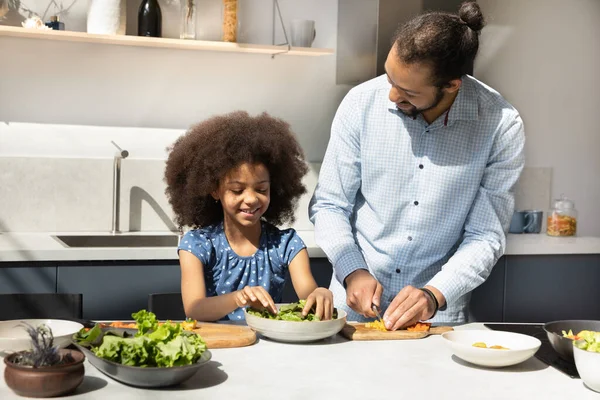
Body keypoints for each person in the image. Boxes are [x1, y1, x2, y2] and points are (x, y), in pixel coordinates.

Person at [309, 1, 525, 330]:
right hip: (351, 315)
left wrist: (433, 294)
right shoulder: (361, 103)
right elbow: (329, 204)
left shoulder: (500, 125)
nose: (392, 96)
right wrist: (353, 269)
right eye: (389, 77)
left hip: (435, 320)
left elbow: (484, 236)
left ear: (452, 85)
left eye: (408, 91)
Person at [165, 111, 334, 322]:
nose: (251, 199)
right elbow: (195, 308)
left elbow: (308, 293)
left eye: (261, 190)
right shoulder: (197, 245)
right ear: (214, 190)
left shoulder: (286, 244)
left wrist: (319, 294)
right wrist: (239, 298)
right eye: (237, 190)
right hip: (216, 348)